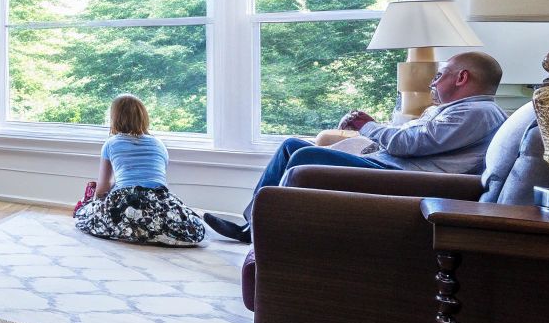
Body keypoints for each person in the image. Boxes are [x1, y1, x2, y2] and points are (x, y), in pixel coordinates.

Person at [203, 50, 507, 243]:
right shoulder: (456, 111)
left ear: (462, 77)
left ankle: (269, 233)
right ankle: (253, 226)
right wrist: (371, 132)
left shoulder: (477, 112)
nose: (433, 83)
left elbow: (409, 144)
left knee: (306, 155)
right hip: (390, 165)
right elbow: (410, 137)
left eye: (440, 75)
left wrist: (367, 125)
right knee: (290, 145)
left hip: (400, 175)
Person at [74, 94, 206, 247]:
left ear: (115, 118)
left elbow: (102, 188)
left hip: (125, 199)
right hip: (159, 198)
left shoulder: (111, 144)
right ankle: (155, 231)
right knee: (193, 228)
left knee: (83, 216)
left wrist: (96, 202)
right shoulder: (159, 144)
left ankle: (133, 230)